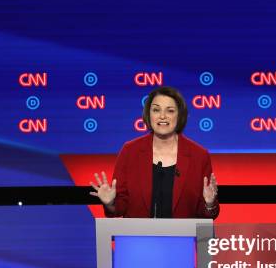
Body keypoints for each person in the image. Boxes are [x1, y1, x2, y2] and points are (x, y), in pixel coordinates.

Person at [90, 86, 219, 219]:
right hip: (137, 238)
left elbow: (207, 216)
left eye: (170, 111)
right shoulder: (130, 151)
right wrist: (110, 202)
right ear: (148, 114)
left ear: (179, 115)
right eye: (156, 110)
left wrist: (209, 203)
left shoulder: (199, 155)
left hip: (183, 238)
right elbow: (120, 208)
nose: (162, 116)